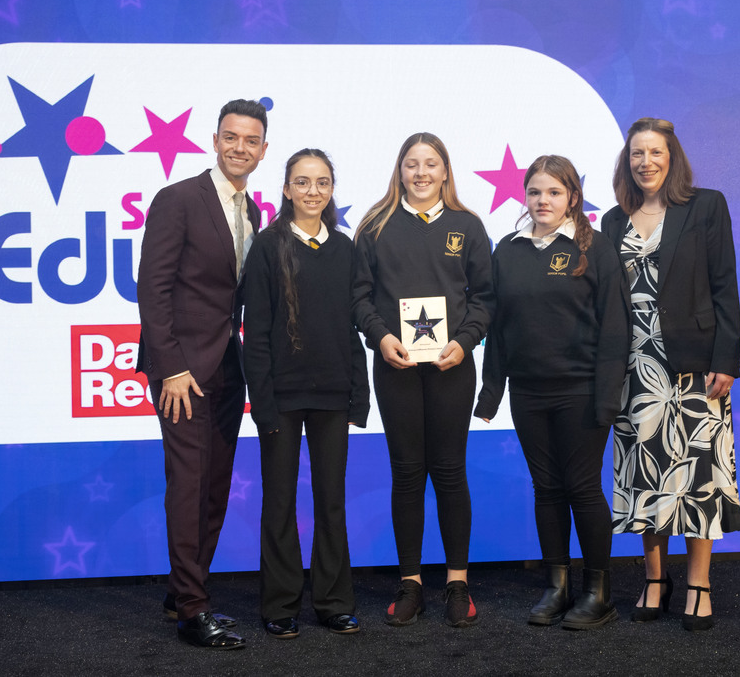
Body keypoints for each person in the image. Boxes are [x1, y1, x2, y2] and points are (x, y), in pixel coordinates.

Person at [474, 155, 630, 630]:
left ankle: (598, 592)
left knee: (582, 487)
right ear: (525, 196)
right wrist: (491, 392)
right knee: (546, 488)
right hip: (528, 392)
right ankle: (557, 586)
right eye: (535, 192)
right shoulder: (508, 250)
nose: (543, 201)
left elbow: (615, 328)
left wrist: (607, 397)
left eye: (555, 192)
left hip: (581, 391)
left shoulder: (595, 248)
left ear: (573, 198)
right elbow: (498, 329)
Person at [136, 98, 268, 650]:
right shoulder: (179, 199)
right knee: (189, 486)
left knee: (214, 486)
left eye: (251, 140)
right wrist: (170, 367)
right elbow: (152, 288)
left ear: (263, 150)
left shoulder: (253, 211)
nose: (240, 147)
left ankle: (182, 592)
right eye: (230, 137)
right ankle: (193, 609)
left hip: (228, 368)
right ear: (214, 141)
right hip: (182, 373)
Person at [601, 117, 740, 631]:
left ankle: (699, 583)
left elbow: (724, 285)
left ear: (672, 157)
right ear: (627, 162)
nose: (646, 162)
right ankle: (655, 579)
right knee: (647, 474)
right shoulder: (613, 220)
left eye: (655, 152)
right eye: (637, 154)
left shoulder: (706, 206)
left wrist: (725, 359)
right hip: (633, 367)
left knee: (697, 474)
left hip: (694, 366)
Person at [352, 132, 493, 628]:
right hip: (396, 366)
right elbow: (359, 297)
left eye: (431, 164)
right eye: (412, 164)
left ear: (445, 171)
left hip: (453, 366)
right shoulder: (375, 225)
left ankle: (457, 583)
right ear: (400, 170)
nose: (421, 173)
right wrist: (381, 338)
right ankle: (410, 582)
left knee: (450, 471)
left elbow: (486, 298)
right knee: (408, 472)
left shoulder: (467, 226)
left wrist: (466, 340)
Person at [243, 149, 370, 639]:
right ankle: (279, 604)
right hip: (281, 397)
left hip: (333, 394)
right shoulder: (267, 246)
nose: (312, 191)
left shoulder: (344, 248)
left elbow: (351, 326)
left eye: (321, 182)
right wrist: (262, 404)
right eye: (302, 182)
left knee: (331, 501)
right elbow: (256, 334)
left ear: (331, 189)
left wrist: (359, 395)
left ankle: (334, 602)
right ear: (286, 189)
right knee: (279, 502)